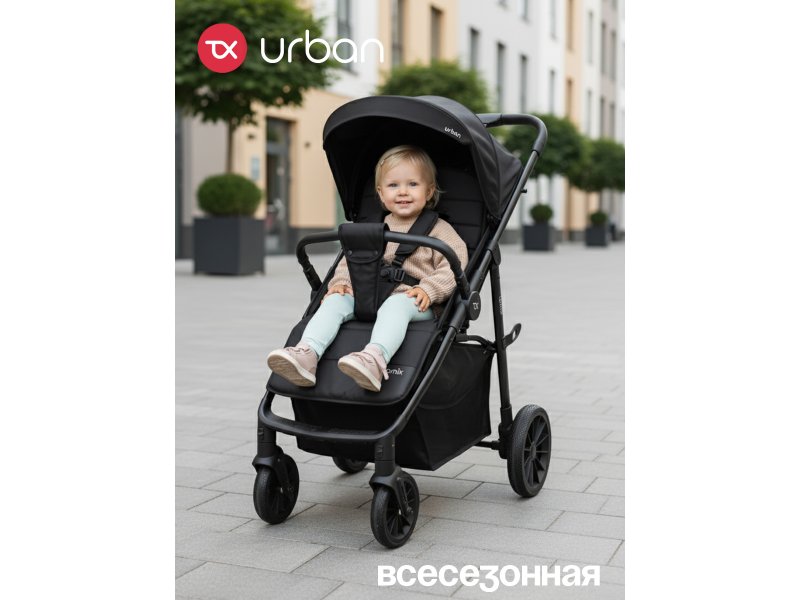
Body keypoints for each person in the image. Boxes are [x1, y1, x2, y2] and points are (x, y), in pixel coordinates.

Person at [267, 145, 468, 392]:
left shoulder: (439, 230)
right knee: (335, 301)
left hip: (415, 300)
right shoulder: (372, 228)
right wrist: (341, 283)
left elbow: (454, 264)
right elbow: (350, 260)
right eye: (393, 185)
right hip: (368, 294)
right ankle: (307, 353)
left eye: (413, 184)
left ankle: (374, 359)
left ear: (428, 191)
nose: (403, 192)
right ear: (381, 193)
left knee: (396, 306)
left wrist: (430, 289)